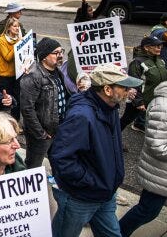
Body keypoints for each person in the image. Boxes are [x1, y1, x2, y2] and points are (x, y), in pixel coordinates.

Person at [49, 63, 142, 237]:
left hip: (105, 194)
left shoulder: (111, 109)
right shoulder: (82, 116)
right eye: (124, 87)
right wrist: (90, 181)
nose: (128, 91)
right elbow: (61, 157)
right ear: (107, 90)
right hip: (81, 199)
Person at [119, 81, 167, 236]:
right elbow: (158, 146)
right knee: (147, 210)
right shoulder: (162, 106)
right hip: (160, 173)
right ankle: (117, 233)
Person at [20, 37, 68, 169]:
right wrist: (41, 133)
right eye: (56, 53)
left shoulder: (58, 72)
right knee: (33, 166)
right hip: (41, 134)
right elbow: (27, 109)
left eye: (61, 51)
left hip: (57, 129)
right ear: (44, 57)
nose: (61, 55)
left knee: (59, 162)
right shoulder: (33, 76)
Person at [120, 35, 167, 133]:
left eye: (160, 45)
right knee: (125, 120)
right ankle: (110, 139)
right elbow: (133, 83)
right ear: (146, 48)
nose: (160, 48)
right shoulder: (137, 62)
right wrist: (138, 102)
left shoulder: (160, 61)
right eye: (156, 46)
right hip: (140, 101)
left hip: (154, 100)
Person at [0, 17, 22, 120]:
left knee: (17, 99)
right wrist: (18, 44)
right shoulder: (1, 40)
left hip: (16, 73)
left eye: (18, 26)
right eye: (15, 26)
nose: (17, 28)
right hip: (4, 75)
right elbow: (7, 57)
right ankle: (3, 121)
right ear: (8, 27)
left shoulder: (19, 39)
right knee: (6, 100)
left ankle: (15, 121)